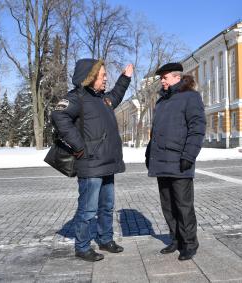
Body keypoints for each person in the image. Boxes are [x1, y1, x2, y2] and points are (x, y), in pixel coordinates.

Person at [51, 59, 133, 262]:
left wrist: (125, 78)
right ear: (90, 76)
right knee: (88, 209)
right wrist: (79, 146)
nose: (106, 78)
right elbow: (59, 116)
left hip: (107, 163)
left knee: (107, 206)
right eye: (102, 75)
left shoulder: (103, 99)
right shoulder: (77, 97)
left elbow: (116, 95)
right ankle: (82, 246)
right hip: (90, 164)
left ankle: (105, 240)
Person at [145, 63, 206, 261]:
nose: (162, 80)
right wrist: (149, 153)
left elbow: (197, 129)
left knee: (183, 205)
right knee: (168, 205)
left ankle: (189, 243)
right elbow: (156, 131)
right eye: (161, 78)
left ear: (176, 77)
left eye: (165, 77)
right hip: (162, 162)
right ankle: (176, 239)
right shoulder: (162, 101)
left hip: (180, 161)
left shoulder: (191, 97)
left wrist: (189, 156)